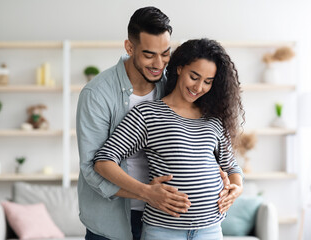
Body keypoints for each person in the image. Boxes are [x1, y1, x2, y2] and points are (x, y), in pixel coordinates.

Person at [77, 7, 232, 240]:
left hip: (166, 215)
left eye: (165, 53)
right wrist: (147, 193)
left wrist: (225, 181)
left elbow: (205, 147)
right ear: (130, 48)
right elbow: (92, 167)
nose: (159, 64)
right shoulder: (97, 94)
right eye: (149, 55)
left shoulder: (172, 84)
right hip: (114, 217)